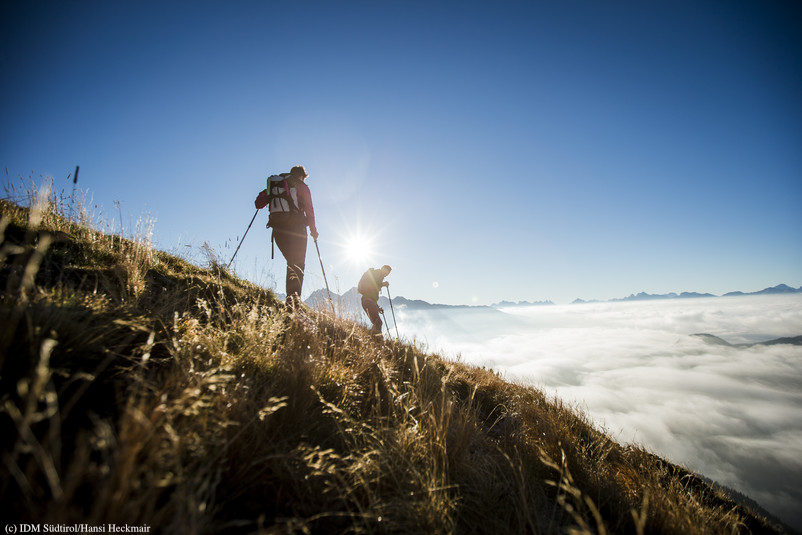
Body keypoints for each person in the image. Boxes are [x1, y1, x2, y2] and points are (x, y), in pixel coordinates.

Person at [254, 165, 318, 309]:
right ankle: (293, 305)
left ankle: (291, 303)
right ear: (302, 176)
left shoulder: (278, 184)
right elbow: (310, 210)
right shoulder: (302, 187)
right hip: (297, 231)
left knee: (291, 263)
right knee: (297, 266)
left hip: (278, 231)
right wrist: (314, 231)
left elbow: (258, 203)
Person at [358, 265, 392, 335]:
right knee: (378, 322)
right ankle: (375, 340)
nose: (386, 274)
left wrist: (377, 307)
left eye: (388, 273)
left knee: (377, 322)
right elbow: (371, 284)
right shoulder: (376, 273)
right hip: (367, 301)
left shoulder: (379, 277)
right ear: (382, 268)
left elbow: (372, 296)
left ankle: (371, 337)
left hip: (368, 301)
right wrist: (382, 284)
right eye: (386, 271)